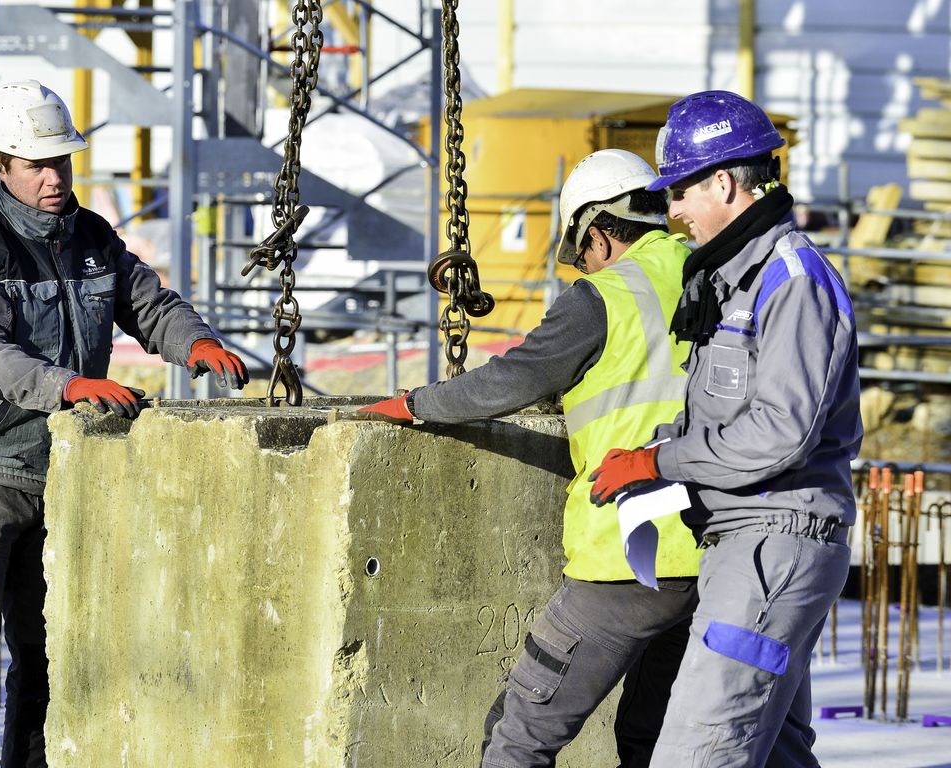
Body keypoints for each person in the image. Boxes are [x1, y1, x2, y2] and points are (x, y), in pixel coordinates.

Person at [0, 80, 248, 767]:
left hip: (58, 474)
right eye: (37, 165)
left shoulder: (91, 237)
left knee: (48, 657)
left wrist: (194, 341)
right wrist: (71, 386)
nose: (54, 177)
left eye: (62, 162)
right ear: (1, 166)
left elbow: (147, 302)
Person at [358, 149, 701, 767]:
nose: (585, 264)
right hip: (713, 552)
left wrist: (416, 404)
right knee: (654, 739)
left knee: (518, 737)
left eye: (583, 249)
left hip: (627, 550)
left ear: (597, 232)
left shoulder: (601, 295)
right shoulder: (714, 274)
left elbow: (509, 382)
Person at [588, 90, 861, 767]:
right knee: (774, 756)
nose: (672, 213)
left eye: (679, 190)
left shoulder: (791, 279)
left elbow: (781, 434)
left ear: (725, 181)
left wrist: (661, 464)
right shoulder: (732, 282)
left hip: (774, 547)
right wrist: (656, 453)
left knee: (697, 754)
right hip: (744, 547)